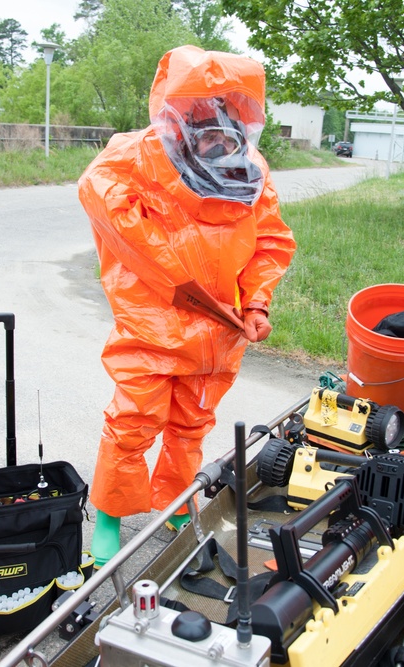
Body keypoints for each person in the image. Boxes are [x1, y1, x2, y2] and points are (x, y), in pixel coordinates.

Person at [78, 45, 296, 567]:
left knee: (192, 426)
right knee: (132, 422)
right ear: (181, 118)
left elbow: (270, 241)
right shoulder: (135, 155)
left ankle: (175, 502)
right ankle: (109, 512)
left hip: (220, 331)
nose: (218, 139)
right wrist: (177, 274)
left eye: (228, 124)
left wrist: (258, 303)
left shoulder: (251, 171)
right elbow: (101, 197)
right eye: (204, 122)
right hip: (152, 324)